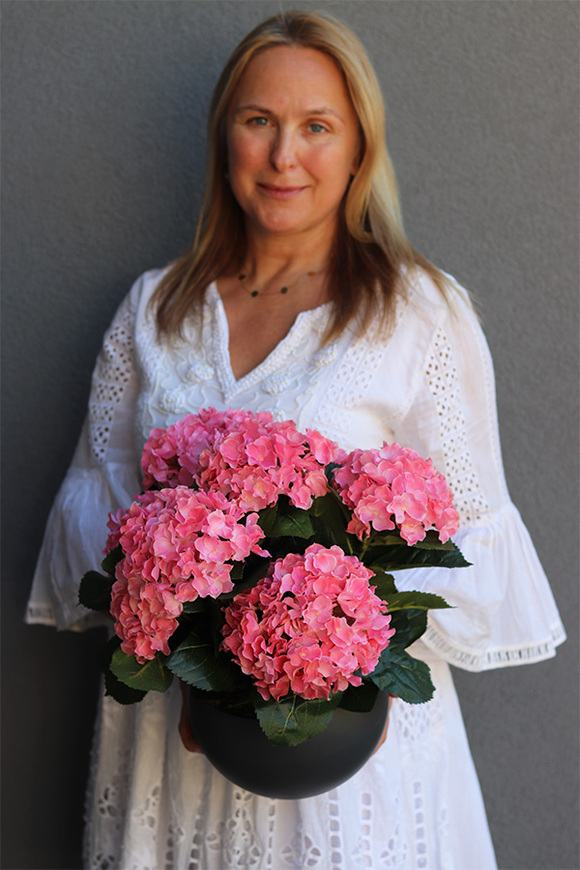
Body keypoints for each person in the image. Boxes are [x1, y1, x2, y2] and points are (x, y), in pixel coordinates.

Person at [26, 11, 565, 870]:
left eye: (317, 127)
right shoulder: (153, 312)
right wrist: (190, 622)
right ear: (223, 138)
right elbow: (103, 532)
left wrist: (304, 641)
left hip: (345, 757)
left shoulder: (417, 312)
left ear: (358, 150)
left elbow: (463, 540)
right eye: (258, 121)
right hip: (176, 737)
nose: (284, 156)